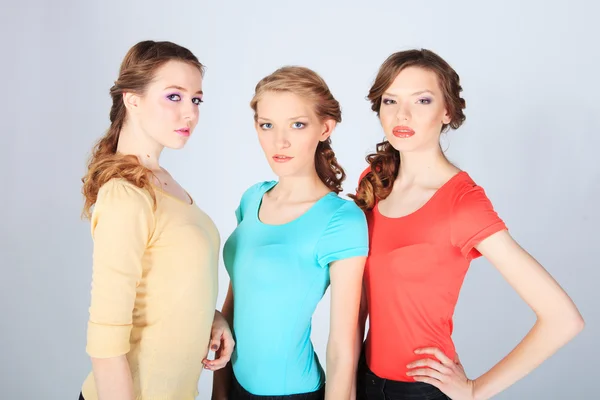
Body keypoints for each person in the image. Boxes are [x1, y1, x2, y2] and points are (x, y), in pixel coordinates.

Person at [351, 48, 585, 400]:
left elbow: (564, 319)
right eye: (390, 100)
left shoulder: (463, 203)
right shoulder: (375, 180)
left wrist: (476, 390)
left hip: (421, 392)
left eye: (422, 100)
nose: (403, 114)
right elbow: (360, 299)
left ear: (446, 112)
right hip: (362, 379)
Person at [78, 40, 233, 400]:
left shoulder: (162, 183)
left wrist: (212, 317)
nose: (190, 113)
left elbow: (167, 284)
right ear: (132, 100)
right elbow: (106, 337)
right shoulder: (125, 194)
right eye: (174, 97)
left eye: (196, 99)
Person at [212, 66, 369, 399]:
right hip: (235, 384)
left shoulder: (342, 219)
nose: (279, 141)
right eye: (267, 125)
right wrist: (220, 392)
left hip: (293, 392)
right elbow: (234, 303)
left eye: (297, 125)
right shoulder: (252, 197)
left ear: (325, 128)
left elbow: (343, 345)